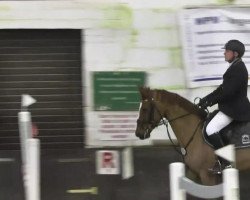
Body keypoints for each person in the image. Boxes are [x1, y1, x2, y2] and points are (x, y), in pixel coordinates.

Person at [198, 39, 250, 174]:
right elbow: (221, 89)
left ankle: (225, 163)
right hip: (230, 107)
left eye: (227, 51)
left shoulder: (238, 69)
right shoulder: (234, 66)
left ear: (235, 54)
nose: (224, 54)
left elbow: (227, 93)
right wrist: (205, 99)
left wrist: (210, 102)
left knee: (210, 129)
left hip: (235, 110)